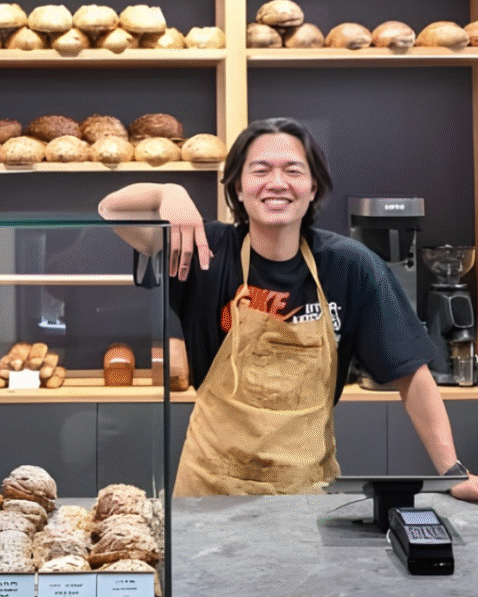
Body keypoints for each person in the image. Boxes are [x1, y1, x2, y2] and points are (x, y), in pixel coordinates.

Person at [98, 117, 478, 500]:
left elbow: (411, 374)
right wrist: (167, 191)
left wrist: (453, 471)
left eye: (293, 171)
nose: (276, 183)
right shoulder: (203, 250)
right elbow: (110, 209)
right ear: (238, 188)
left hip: (305, 496)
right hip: (207, 492)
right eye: (260, 170)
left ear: (313, 188)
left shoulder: (350, 266)